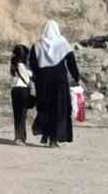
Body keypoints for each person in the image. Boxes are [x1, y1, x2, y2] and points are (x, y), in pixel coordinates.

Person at [30, 20, 81, 148]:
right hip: (59, 83)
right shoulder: (63, 44)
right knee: (59, 110)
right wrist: (76, 79)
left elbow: (33, 64)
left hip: (43, 83)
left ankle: (45, 134)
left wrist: (36, 79)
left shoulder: (37, 46)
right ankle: (54, 139)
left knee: (45, 108)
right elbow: (71, 64)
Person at [8, 44, 34, 145]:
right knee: (22, 116)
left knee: (17, 115)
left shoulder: (13, 65)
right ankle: (21, 138)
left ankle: (18, 137)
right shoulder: (21, 65)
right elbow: (29, 77)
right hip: (23, 90)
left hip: (14, 90)